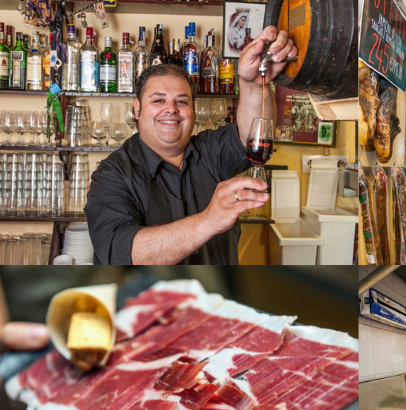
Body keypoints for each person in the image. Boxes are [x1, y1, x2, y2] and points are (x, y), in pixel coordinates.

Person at [85, 26, 298, 264]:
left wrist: (254, 84)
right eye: (159, 100)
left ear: (193, 110)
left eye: (182, 101)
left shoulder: (210, 151)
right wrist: (209, 220)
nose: (171, 109)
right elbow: (121, 254)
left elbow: (253, 136)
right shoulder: (112, 174)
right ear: (137, 108)